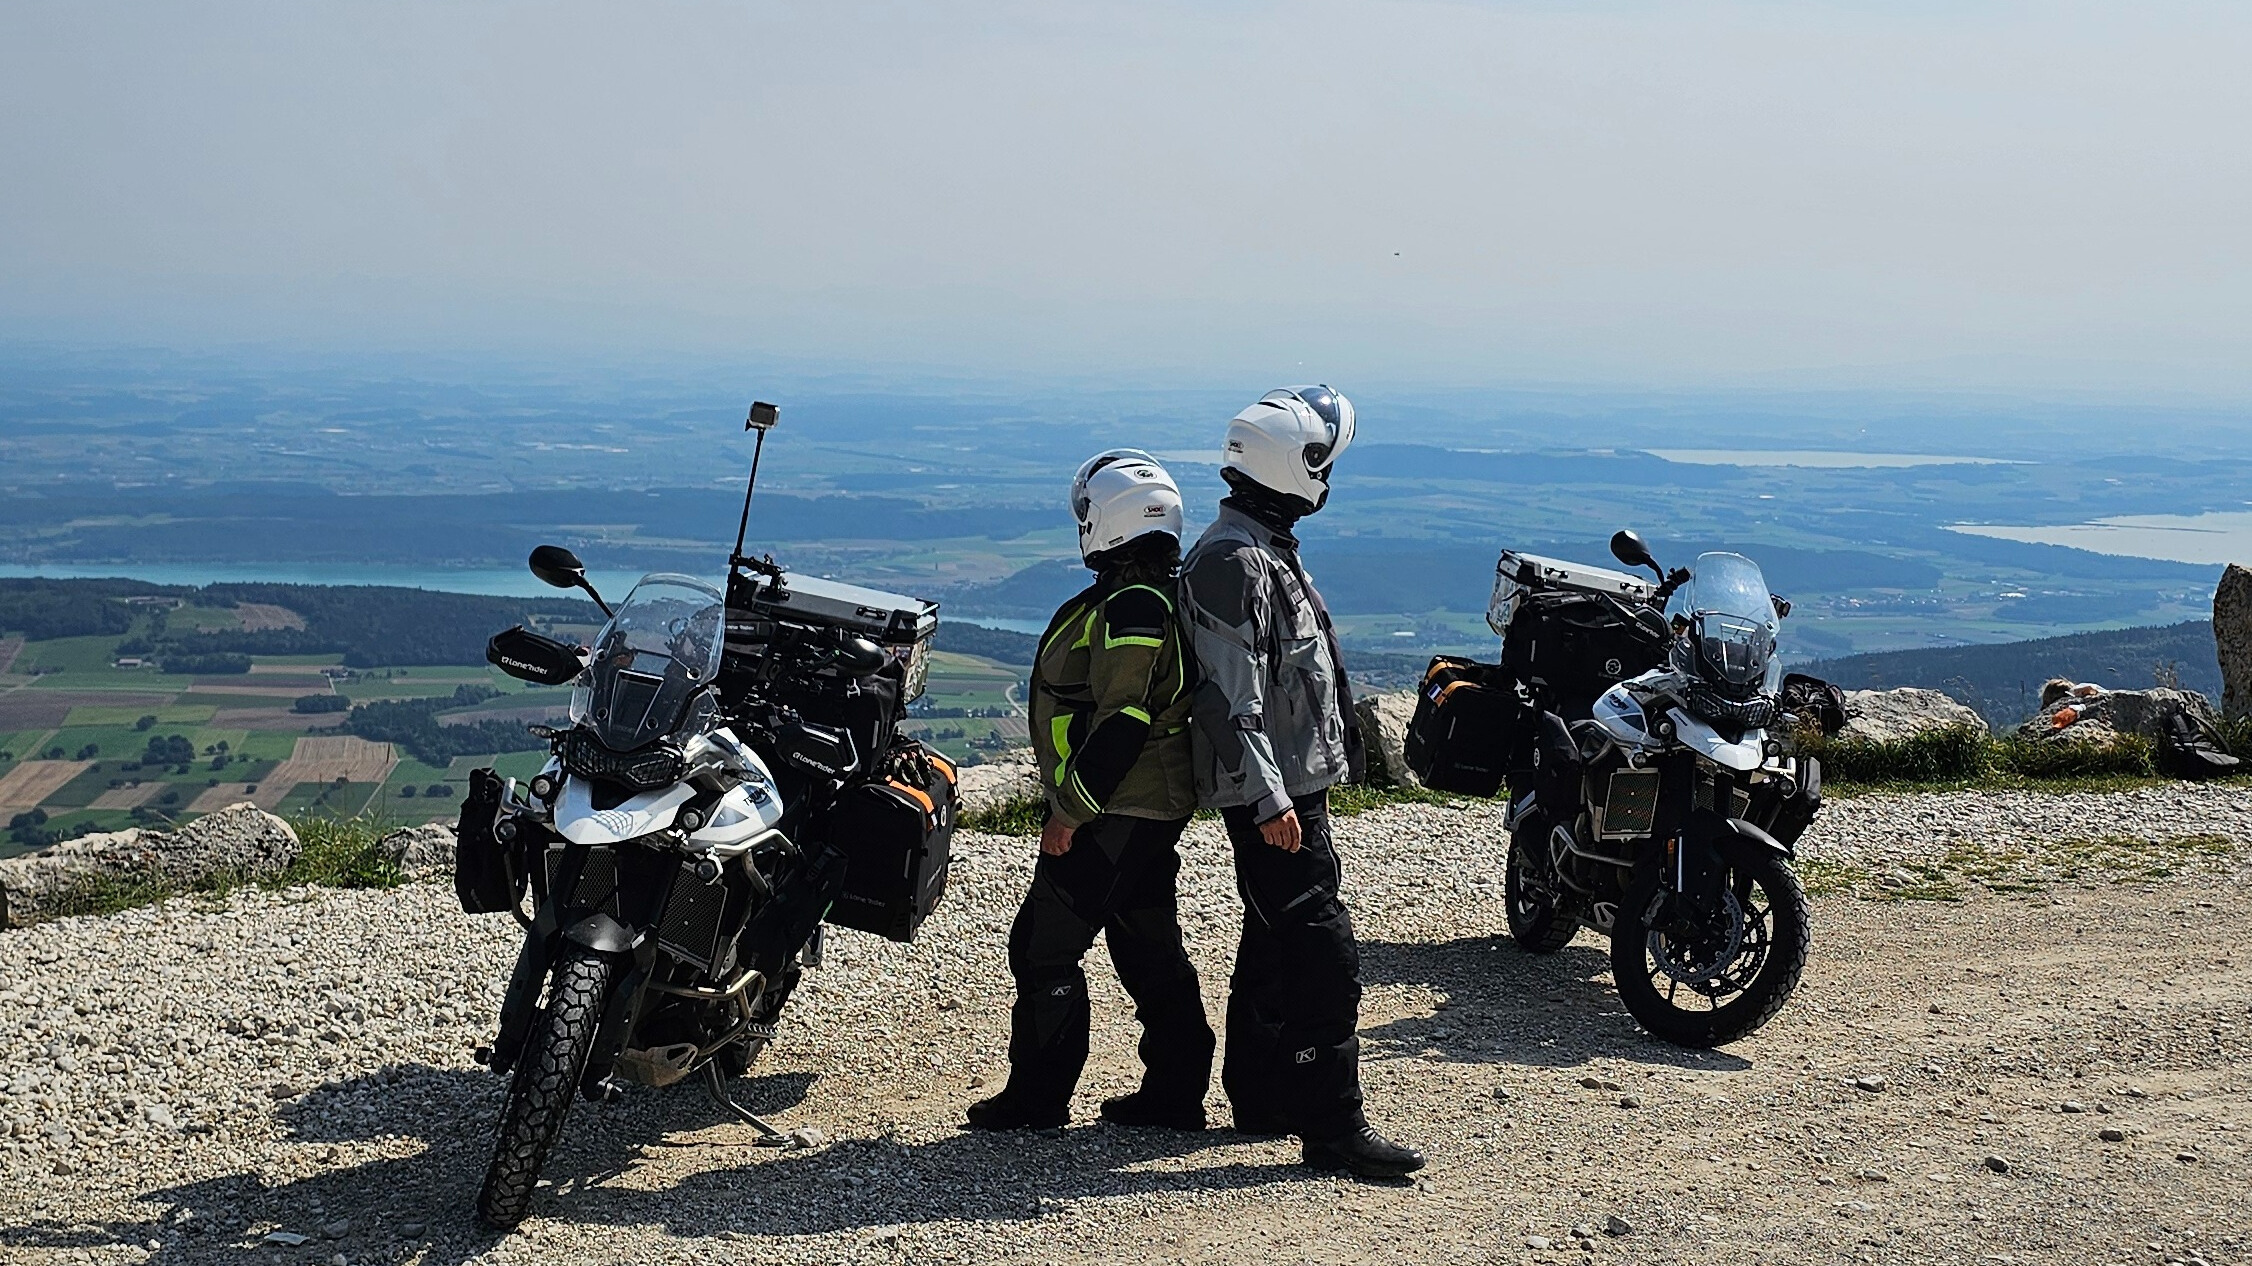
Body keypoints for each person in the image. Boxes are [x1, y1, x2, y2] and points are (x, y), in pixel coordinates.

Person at [1179, 386, 1426, 1178]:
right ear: (1294, 466)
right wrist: (1269, 797)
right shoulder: (1231, 560)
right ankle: (1333, 1127)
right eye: (1321, 459)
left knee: (1274, 938)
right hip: (1271, 795)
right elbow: (1226, 696)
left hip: (1286, 786)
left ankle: (1262, 1095)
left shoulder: (1260, 544)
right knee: (1322, 950)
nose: (1328, 474)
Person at [966, 449, 1214, 1132]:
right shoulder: (1149, 589)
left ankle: (1038, 1098)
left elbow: (1125, 716)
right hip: (1144, 805)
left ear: (1109, 520)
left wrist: (1070, 812)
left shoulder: (1134, 600)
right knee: (1145, 942)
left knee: (1042, 946)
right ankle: (1175, 1090)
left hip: (1118, 806)